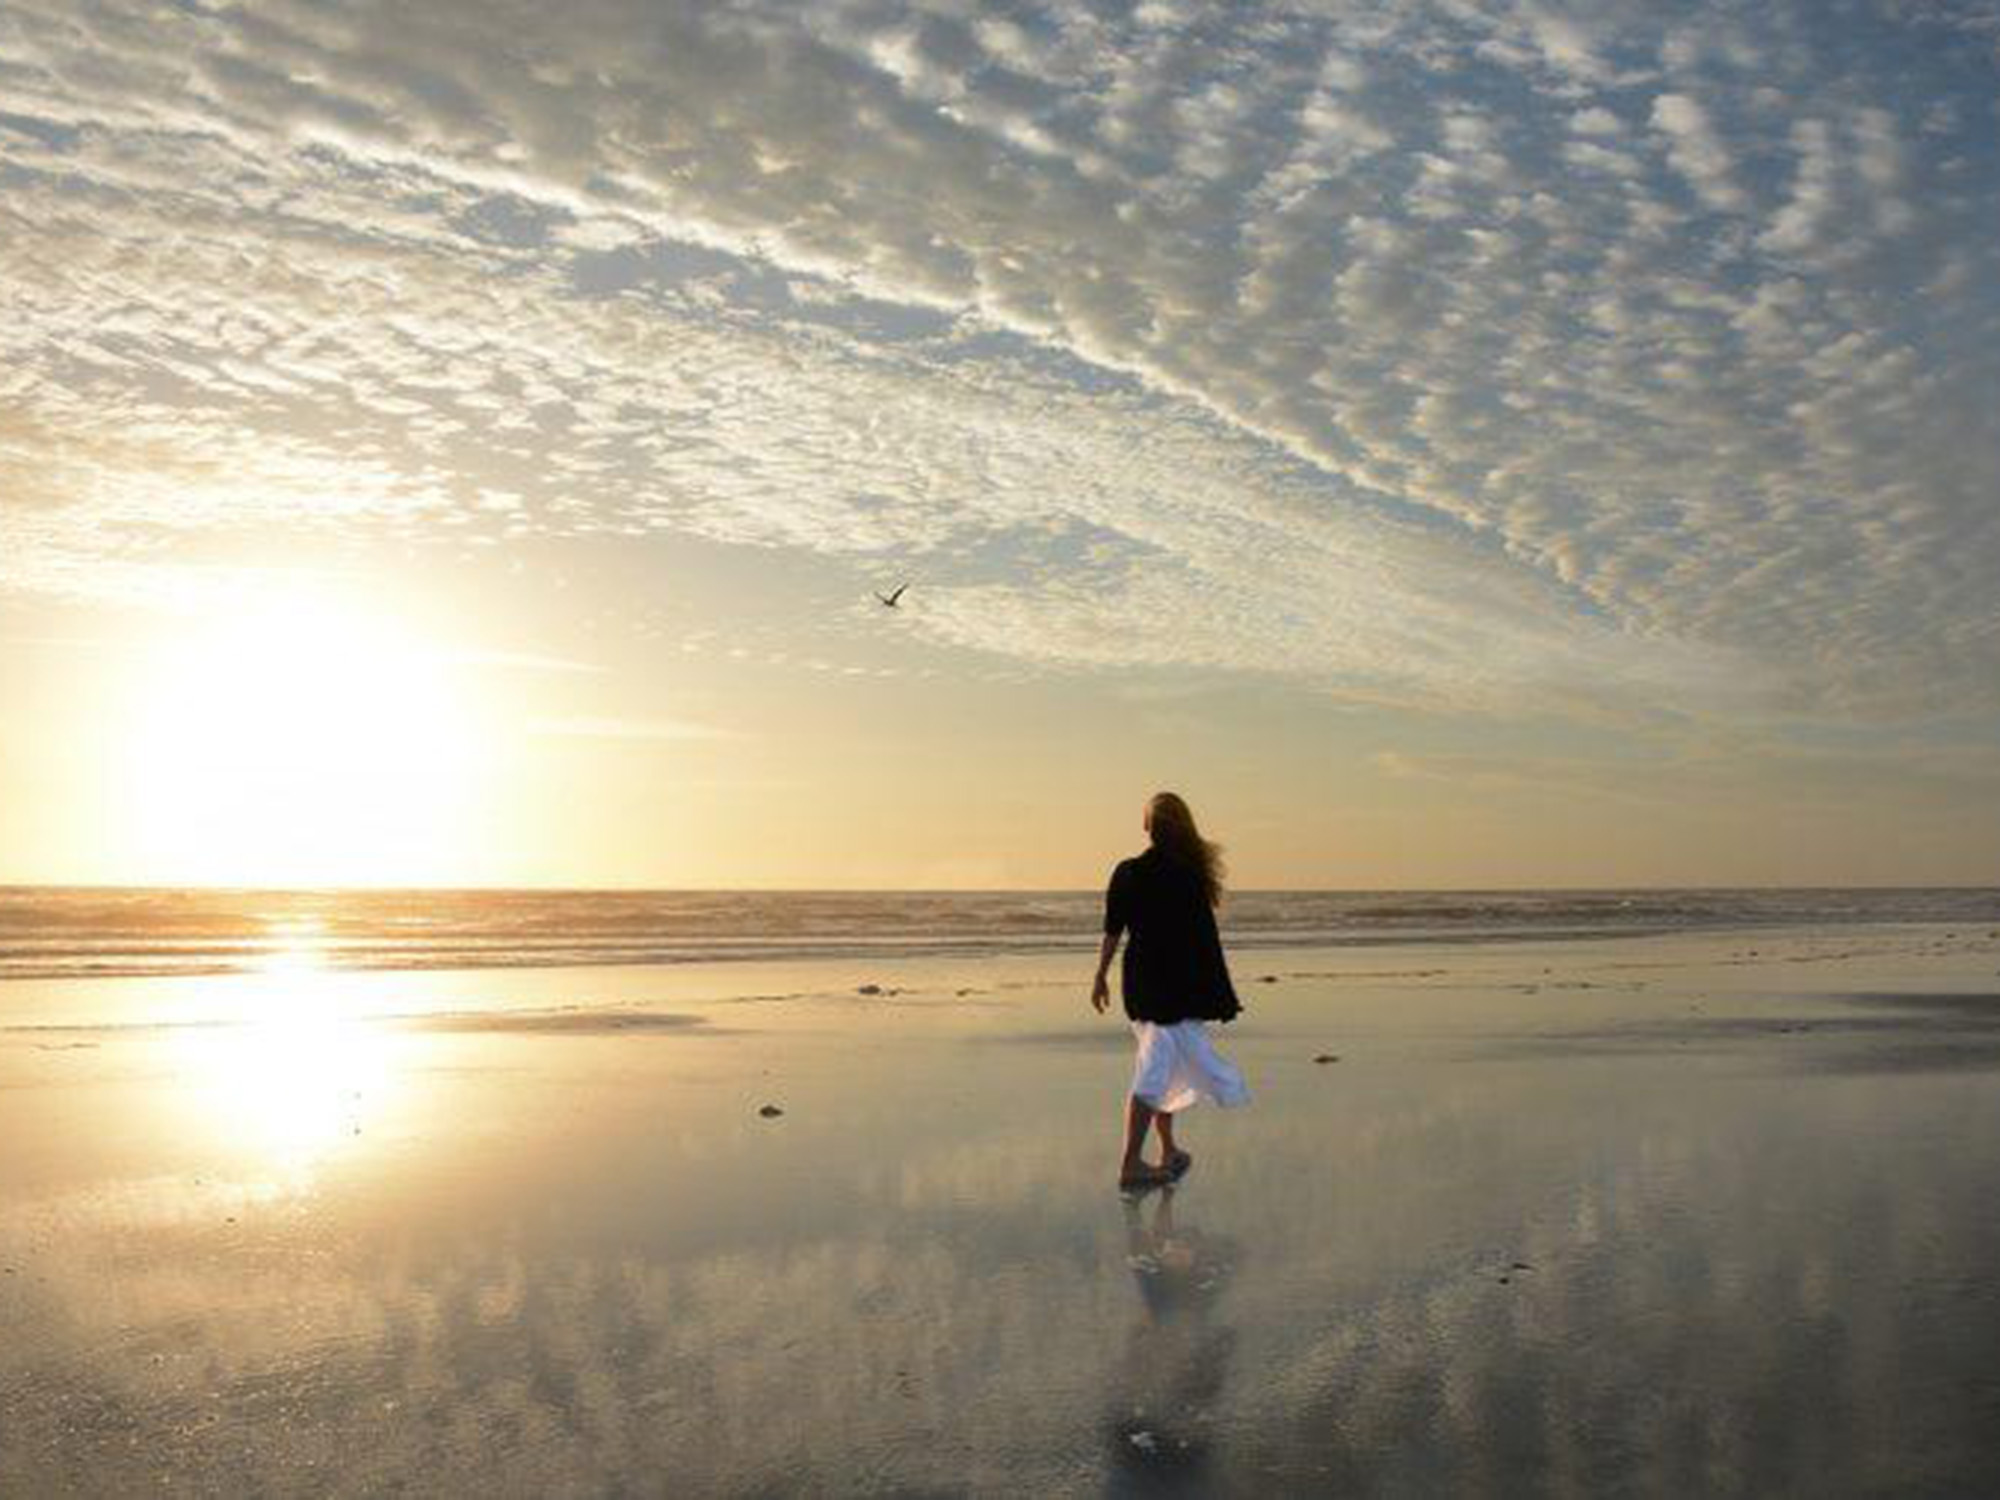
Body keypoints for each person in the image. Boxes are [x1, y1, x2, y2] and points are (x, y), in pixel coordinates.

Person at [1091, 792, 1250, 1189]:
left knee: (1165, 1063)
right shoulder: (1189, 874)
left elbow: (1113, 930)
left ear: (1147, 827)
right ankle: (1130, 1163)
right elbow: (1203, 941)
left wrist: (1100, 974)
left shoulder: (1127, 872)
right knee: (1154, 1069)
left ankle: (1168, 1150)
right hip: (1176, 987)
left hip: (1143, 983)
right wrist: (1218, 993)